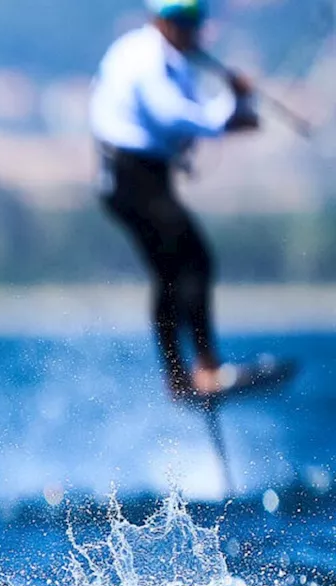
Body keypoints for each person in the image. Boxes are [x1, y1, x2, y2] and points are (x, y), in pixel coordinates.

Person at [90, 0, 261, 403]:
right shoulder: (143, 57)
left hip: (149, 177)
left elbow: (200, 113)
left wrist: (234, 102)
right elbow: (175, 116)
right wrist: (229, 114)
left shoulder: (173, 60)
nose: (191, 30)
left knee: (171, 272)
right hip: (131, 178)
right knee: (195, 260)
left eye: (195, 22)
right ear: (160, 21)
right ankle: (204, 366)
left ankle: (181, 376)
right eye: (182, 22)